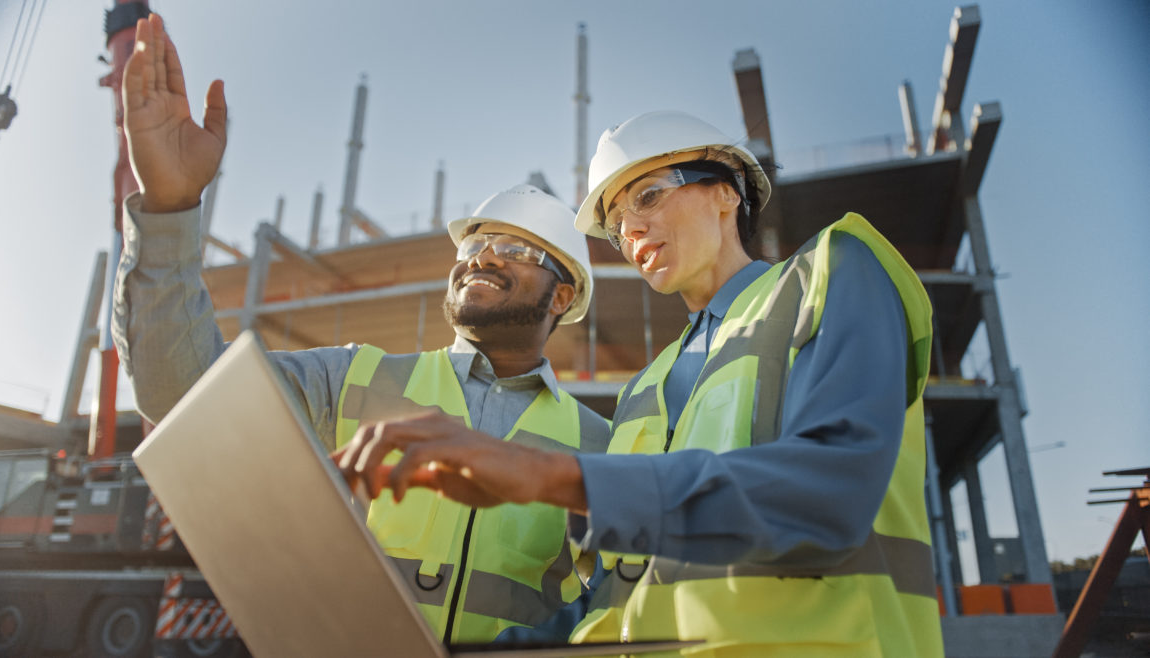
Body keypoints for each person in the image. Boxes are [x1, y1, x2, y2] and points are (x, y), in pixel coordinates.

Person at [343, 110, 944, 656]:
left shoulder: (832, 274)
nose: (631, 232)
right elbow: (615, 589)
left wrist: (548, 475)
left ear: (725, 192)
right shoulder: (644, 390)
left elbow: (829, 495)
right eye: (615, 224)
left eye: (648, 196)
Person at [113, 14, 611, 644]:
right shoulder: (355, 378)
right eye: (477, 242)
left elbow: (617, 603)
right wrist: (168, 208)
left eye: (516, 249)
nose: (482, 256)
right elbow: (183, 397)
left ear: (562, 294)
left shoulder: (601, 445)